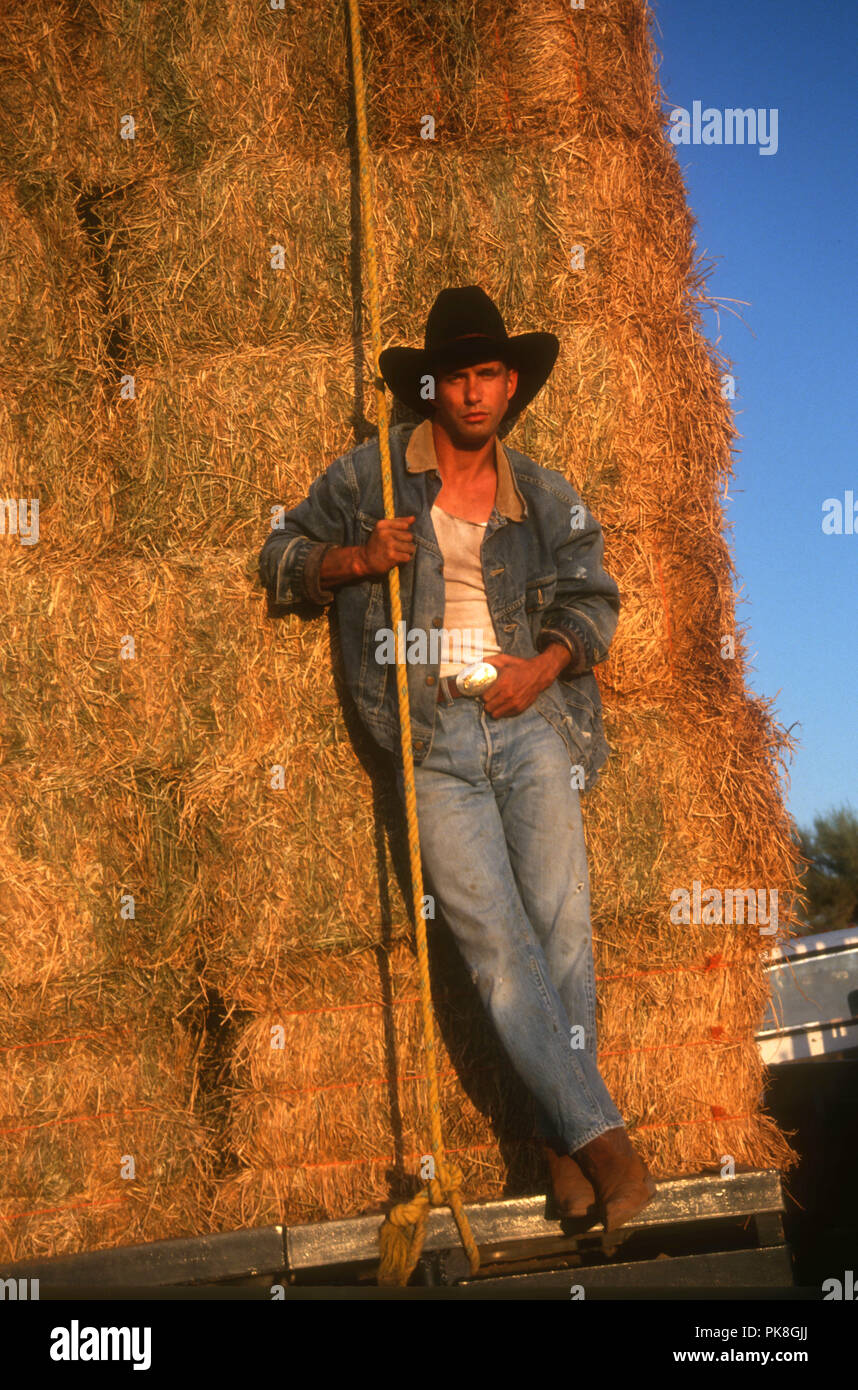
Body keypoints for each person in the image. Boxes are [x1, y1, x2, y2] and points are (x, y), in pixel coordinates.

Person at [258, 285, 656, 1231]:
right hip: (430, 742)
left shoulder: (548, 494)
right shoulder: (369, 482)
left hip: (531, 729)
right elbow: (276, 553)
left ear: (509, 385)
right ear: (430, 386)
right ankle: (609, 1147)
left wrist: (545, 664)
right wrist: (354, 561)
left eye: (490, 375)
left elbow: (596, 600)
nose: (474, 394)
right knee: (495, 953)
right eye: (456, 377)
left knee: (563, 943)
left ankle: (562, 1153)